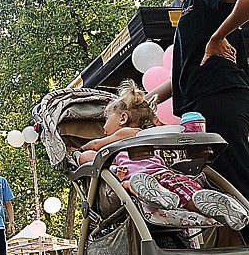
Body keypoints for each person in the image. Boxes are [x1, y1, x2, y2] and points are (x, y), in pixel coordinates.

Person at [146, 0, 249, 255]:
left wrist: (219, 35)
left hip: (221, 102)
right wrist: (151, 98)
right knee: (217, 198)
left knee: (239, 187)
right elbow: (187, 67)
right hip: (198, 113)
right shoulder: (188, 9)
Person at [78, 79, 249, 229]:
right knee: (186, 192)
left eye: (106, 119)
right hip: (163, 173)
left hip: (138, 176)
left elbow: (95, 146)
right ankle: (202, 202)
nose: (104, 126)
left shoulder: (124, 135)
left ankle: (156, 194)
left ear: (123, 118)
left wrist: (79, 152)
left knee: (129, 184)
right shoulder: (151, 135)